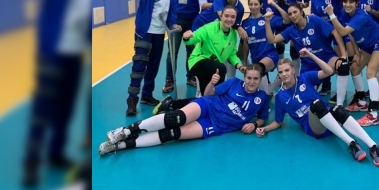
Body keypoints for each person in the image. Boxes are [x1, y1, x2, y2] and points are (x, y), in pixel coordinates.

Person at [20, 0, 92, 186]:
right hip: (51, 54)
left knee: (65, 108)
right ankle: (31, 163)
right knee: (42, 110)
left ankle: (55, 153)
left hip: (74, 56)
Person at [99, 65, 269, 155]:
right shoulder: (234, 83)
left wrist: (254, 124)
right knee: (177, 117)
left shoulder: (262, 98)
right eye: (249, 78)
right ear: (244, 77)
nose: (251, 81)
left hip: (217, 125)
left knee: (173, 134)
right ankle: (125, 131)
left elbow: (262, 118)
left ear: (260, 79)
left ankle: (120, 145)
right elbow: (208, 94)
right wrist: (212, 83)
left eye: (255, 79)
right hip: (209, 105)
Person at [255, 52, 379, 167]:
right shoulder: (280, 97)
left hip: (331, 120)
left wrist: (311, 55)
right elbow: (278, 122)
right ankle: (351, 143)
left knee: (337, 109)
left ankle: (373, 146)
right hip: (315, 127)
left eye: (287, 70)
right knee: (317, 104)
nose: (284, 74)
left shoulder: (305, 78)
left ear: (293, 70)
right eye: (280, 72)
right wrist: (264, 129)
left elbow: (328, 71)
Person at [325, 0, 379, 126]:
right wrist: (357, 53)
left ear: (357, 3)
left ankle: (373, 114)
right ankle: (361, 102)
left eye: (351, 2)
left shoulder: (361, 15)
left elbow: (343, 31)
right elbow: (351, 35)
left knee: (370, 72)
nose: (348, 4)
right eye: (345, 2)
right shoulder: (344, 14)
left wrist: (331, 14)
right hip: (367, 46)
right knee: (355, 67)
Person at [123, 0, 181, 116]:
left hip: (159, 32)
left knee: (153, 66)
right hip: (144, 31)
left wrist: (173, 23)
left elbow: (173, 9)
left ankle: (146, 95)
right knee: (139, 66)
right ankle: (132, 100)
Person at [264, 4, 347, 87]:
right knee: (303, 90)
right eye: (290, 14)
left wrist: (343, 55)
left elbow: (335, 32)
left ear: (301, 12)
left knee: (343, 66)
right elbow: (272, 40)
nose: (293, 15)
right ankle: (317, 82)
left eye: (295, 12)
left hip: (327, 58)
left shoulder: (314, 20)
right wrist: (267, 22)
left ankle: (334, 91)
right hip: (309, 65)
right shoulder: (291, 30)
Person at [255, 0, 311, 72]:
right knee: (279, 46)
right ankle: (281, 73)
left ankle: (295, 76)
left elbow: (307, 2)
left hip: (295, 19)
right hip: (282, 19)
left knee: (294, 50)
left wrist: (303, 5)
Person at [163, 0, 204, 93]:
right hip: (175, 20)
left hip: (193, 20)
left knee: (192, 51)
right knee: (172, 52)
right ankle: (169, 80)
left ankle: (191, 76)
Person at [184, 6, 247, 96]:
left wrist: (240, 66)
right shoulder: (209, 28)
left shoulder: (233, 34)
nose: (229, 19)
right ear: (221, 16)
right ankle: (215, 96)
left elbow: (231, 54)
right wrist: (187, 37)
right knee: (221, 69)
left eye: (233, 17)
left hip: (213, 66)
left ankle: (176, 103)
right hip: (198, 61)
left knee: (206, 94)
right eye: (226, 16)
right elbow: (194, 37)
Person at [308, 0, 351, 100]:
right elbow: (315, 18)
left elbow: (349, 2)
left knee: (342, 60)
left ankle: (343, 92)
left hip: (339, 30)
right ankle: (326, 84)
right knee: (323, 56)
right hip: (325, 32)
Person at [242, 0, 290, 92]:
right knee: (260, 88)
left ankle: (274, 84)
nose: (253, 7)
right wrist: (245, 63)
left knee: (258, 69)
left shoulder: (268, 18)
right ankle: (271, 86)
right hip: (255, 57)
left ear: (261, 5)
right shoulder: (245, 23)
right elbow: (245, 44)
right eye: (251, 4)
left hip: (269, 55)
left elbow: (287, 20)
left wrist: (275, 5)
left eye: (256, 4)